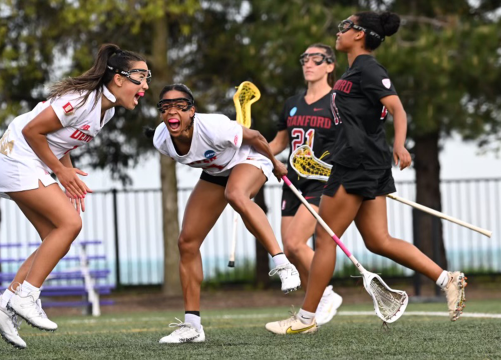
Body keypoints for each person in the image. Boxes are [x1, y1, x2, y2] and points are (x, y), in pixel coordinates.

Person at [265, 11, 467, 335]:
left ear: (359, 34)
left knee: (324, 237)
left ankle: (305, 319)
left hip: (358, 163)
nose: (339, 30)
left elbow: (398, 109)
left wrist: (400, 147)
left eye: (345, 26)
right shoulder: (352, 71)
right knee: (378, 240)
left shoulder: (369, 69)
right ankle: (448, 279)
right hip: (361, 160)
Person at [0, 44, 150, 348]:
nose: (146, 86)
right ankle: (27, 297)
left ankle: (5, 304)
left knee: (55, 235)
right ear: (119, 79)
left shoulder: (105, 111)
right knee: (70, 225)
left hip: (28, 160)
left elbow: (64, 141)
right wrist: (60, 172)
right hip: (16, 156)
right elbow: (34, 131)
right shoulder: (83, 100)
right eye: (141, 77)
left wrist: (67, 175)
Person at [148, 84, 300, 344]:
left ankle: (283, 264)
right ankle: (193, 326)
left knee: (236, 195)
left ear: (192, 110)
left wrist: (275, 164)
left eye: (180, 106)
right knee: (187, 242)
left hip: (250, 159)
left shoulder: (214, 126)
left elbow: (255, 137)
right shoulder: (162, 140)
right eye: (166, 106)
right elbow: (208, 162)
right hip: (217, 172)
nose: (172, 111)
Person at [268, 43, 343, 326]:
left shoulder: (338, 101)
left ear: (330, 65)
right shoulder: (292, 103)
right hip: (292, 182)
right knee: (289, 249)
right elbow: (278, 143)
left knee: (296, 242)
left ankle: (326, 294)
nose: (309, 63)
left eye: (316, 59)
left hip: (322, 182)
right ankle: (320, 296)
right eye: (305, 59)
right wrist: (249, 147)